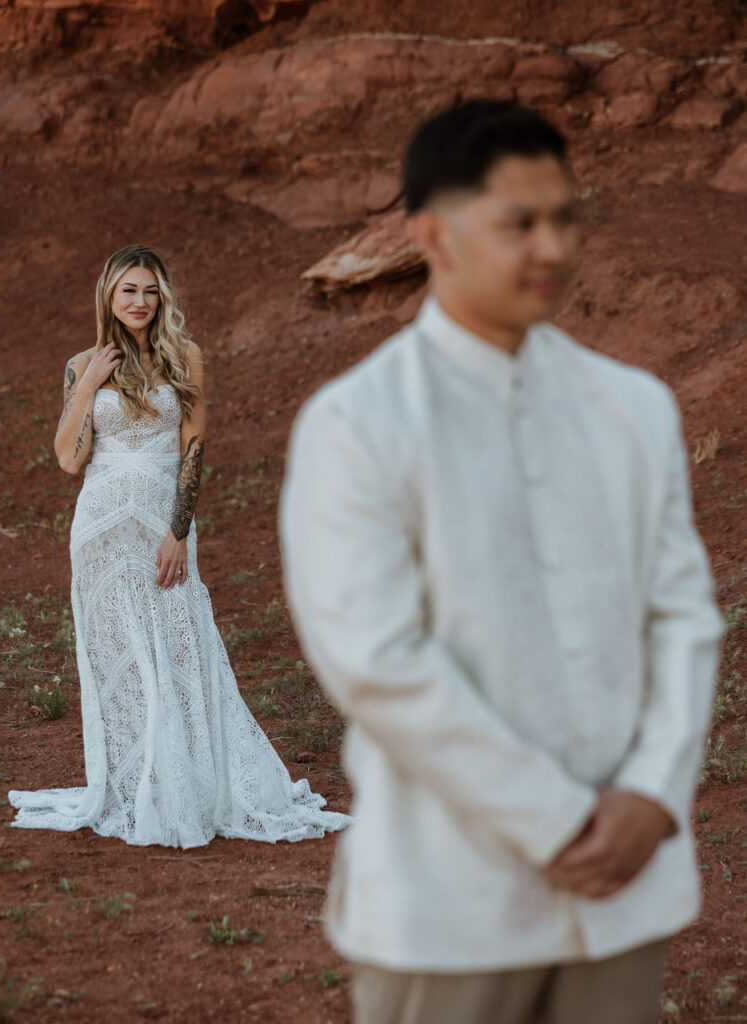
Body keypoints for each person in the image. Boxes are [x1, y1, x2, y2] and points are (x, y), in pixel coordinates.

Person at [280, 100, 723, 1024]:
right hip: (451, 903)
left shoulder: (633, 408)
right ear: (432, 236)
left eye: (564, 218)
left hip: (625, 897)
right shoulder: (359, 424)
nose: (551, 247)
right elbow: (374, 658)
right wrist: (556, 819)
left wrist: (651, 793)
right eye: (518, 223)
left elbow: (681, 616)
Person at [9, 244, 349, 848]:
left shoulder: (184, 357)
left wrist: (179, 531)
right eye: (127, 291)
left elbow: (194, 449)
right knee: (125, 663)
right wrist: (86, 385)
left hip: (161, 529)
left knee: (179, 645)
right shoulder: (82, 363)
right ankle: (137, 781)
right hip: (102, 530)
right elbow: (68, 459)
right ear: (108, 297)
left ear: (161, 296)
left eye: (149, 291)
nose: (139, 302)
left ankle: (190, 779)